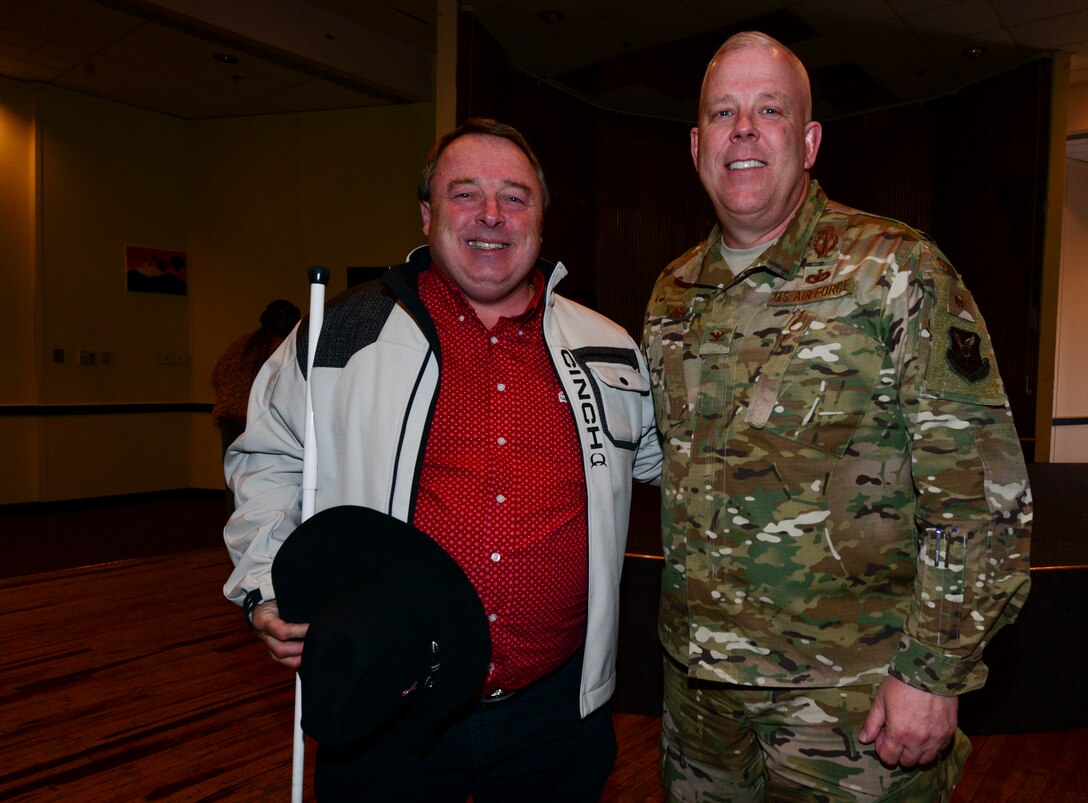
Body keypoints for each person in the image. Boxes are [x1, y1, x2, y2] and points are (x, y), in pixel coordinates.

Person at [642, 32, 1032, 801]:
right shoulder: (671, 293)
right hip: (700, 702)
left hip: (851, 704)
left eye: (769, 110)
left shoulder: (894, 267)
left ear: (810, 140)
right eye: (723, 112)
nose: (744, 129)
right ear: (697, 145)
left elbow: (983, 494)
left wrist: (935, 671)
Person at [223, 118, 662, 801]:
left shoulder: (607, 347)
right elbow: (268, 459)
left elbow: (679, 466)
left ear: (541, 222)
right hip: (386, 700)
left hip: (555, 712)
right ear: (428, 214)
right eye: (466, 194)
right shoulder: (342, 332)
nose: (491, 215)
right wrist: (264, 588)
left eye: (515, 197)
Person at [211, 299, 301, 454]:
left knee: (233, 473)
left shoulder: (242, 343)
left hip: (229, 419)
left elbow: (216, 374)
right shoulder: (283, 348)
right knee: (257, 474)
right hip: (255, 421)